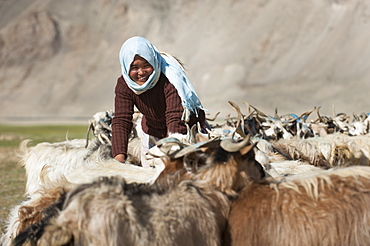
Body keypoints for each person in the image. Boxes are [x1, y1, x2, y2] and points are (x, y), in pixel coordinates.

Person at [111, 36, 208, 167]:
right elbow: (121, 121)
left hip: (186, 131)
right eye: (134, 67)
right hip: (152, 131)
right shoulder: (124, 84)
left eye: (146, 65)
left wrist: (173, 154)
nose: (141, 72)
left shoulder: (170, 80)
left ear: (154, 62)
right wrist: (118, 163)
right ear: (126, 66)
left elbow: (175, 118)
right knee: (149, 176)